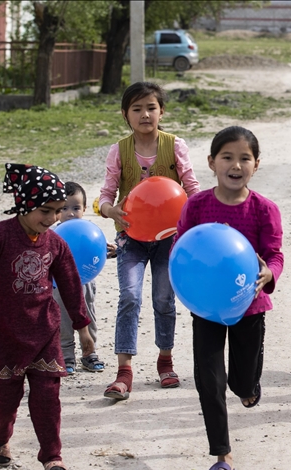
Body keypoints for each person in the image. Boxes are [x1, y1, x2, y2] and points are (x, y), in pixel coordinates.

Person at [0, 163, 93, 470]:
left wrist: (83, 328)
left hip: (44, 335)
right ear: (25, 203)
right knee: (5, 401)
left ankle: (51, 455)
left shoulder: (56, 244)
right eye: (45, 210)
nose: (53, 218)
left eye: (58, 211)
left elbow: (70, 284)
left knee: (47, 401)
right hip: (5, 337)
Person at [174, 126, 283, 470]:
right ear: (211, 162)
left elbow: (274, 255)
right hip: (206, 307)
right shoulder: (197, 205)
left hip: (249, 306)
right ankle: (222, 455)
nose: (236, 165)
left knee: (242, 382)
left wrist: (269, 273)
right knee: (209, 378)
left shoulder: (264, 209)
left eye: (244, 158)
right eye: (227, 157)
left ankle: (250, 387)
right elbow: (183, 249)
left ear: (256, 165)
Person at [98, 81, 201, 399]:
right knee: (129, 297)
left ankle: (165, 361)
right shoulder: (119, 150)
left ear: (162, 112)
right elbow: (105, 195)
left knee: (163, 300)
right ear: (125, 114)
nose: (145, 114)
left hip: (169, 239)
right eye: (137, 109)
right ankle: (123, 371)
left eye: (151, 108)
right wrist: (110, 210)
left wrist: (195, 220)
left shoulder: (174, 146)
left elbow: (192, 187)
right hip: (131, 238)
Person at [53, 181, 114, 374]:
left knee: (88, 316)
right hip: (58, 286)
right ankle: (66, 356)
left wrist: (110, 251)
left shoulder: (90, 231)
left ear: (85, 209)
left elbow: (96, 250)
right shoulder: (53, 233)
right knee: (63, 318)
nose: (70, 213)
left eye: (76, 207)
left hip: (85, 282)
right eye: (64, 208)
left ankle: (89, 353)